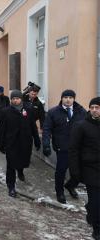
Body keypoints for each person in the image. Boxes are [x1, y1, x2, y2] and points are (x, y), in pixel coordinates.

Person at [42, 90, 86, 204]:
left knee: (79, 171)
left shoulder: (81, 112)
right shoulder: (53, 112)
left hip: (78, 148)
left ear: (74, 99)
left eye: (70, 97)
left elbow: (88, 127)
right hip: (62, 147)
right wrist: (46, 144)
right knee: (61, 171)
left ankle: (70, 186)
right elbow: (47, 129)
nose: (68, 99)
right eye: (65, 97)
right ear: (62, 98)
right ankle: (59, 192)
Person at [0, 90, 41, 197]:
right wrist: (0, 143)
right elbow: (1, 129)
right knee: (11, 165)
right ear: (11, 100)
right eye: (13, 99)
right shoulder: (5, 112)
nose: (15, 100)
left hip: (25, 142)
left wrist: (37, 139)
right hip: (11, 142)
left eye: (17, 98)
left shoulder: (28, 110)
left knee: (22, 161)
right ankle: (11, 186)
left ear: (21, 99)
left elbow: (33, 126)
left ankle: (20, 171)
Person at [69, 97, 100, 240]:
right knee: (95, 201)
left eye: (97, 107)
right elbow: (74, 149)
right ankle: (97, 228)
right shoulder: (81, 125)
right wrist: (75, 171)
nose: (94, 110)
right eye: (92, 107)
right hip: (90, 168)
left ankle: (91, 211)